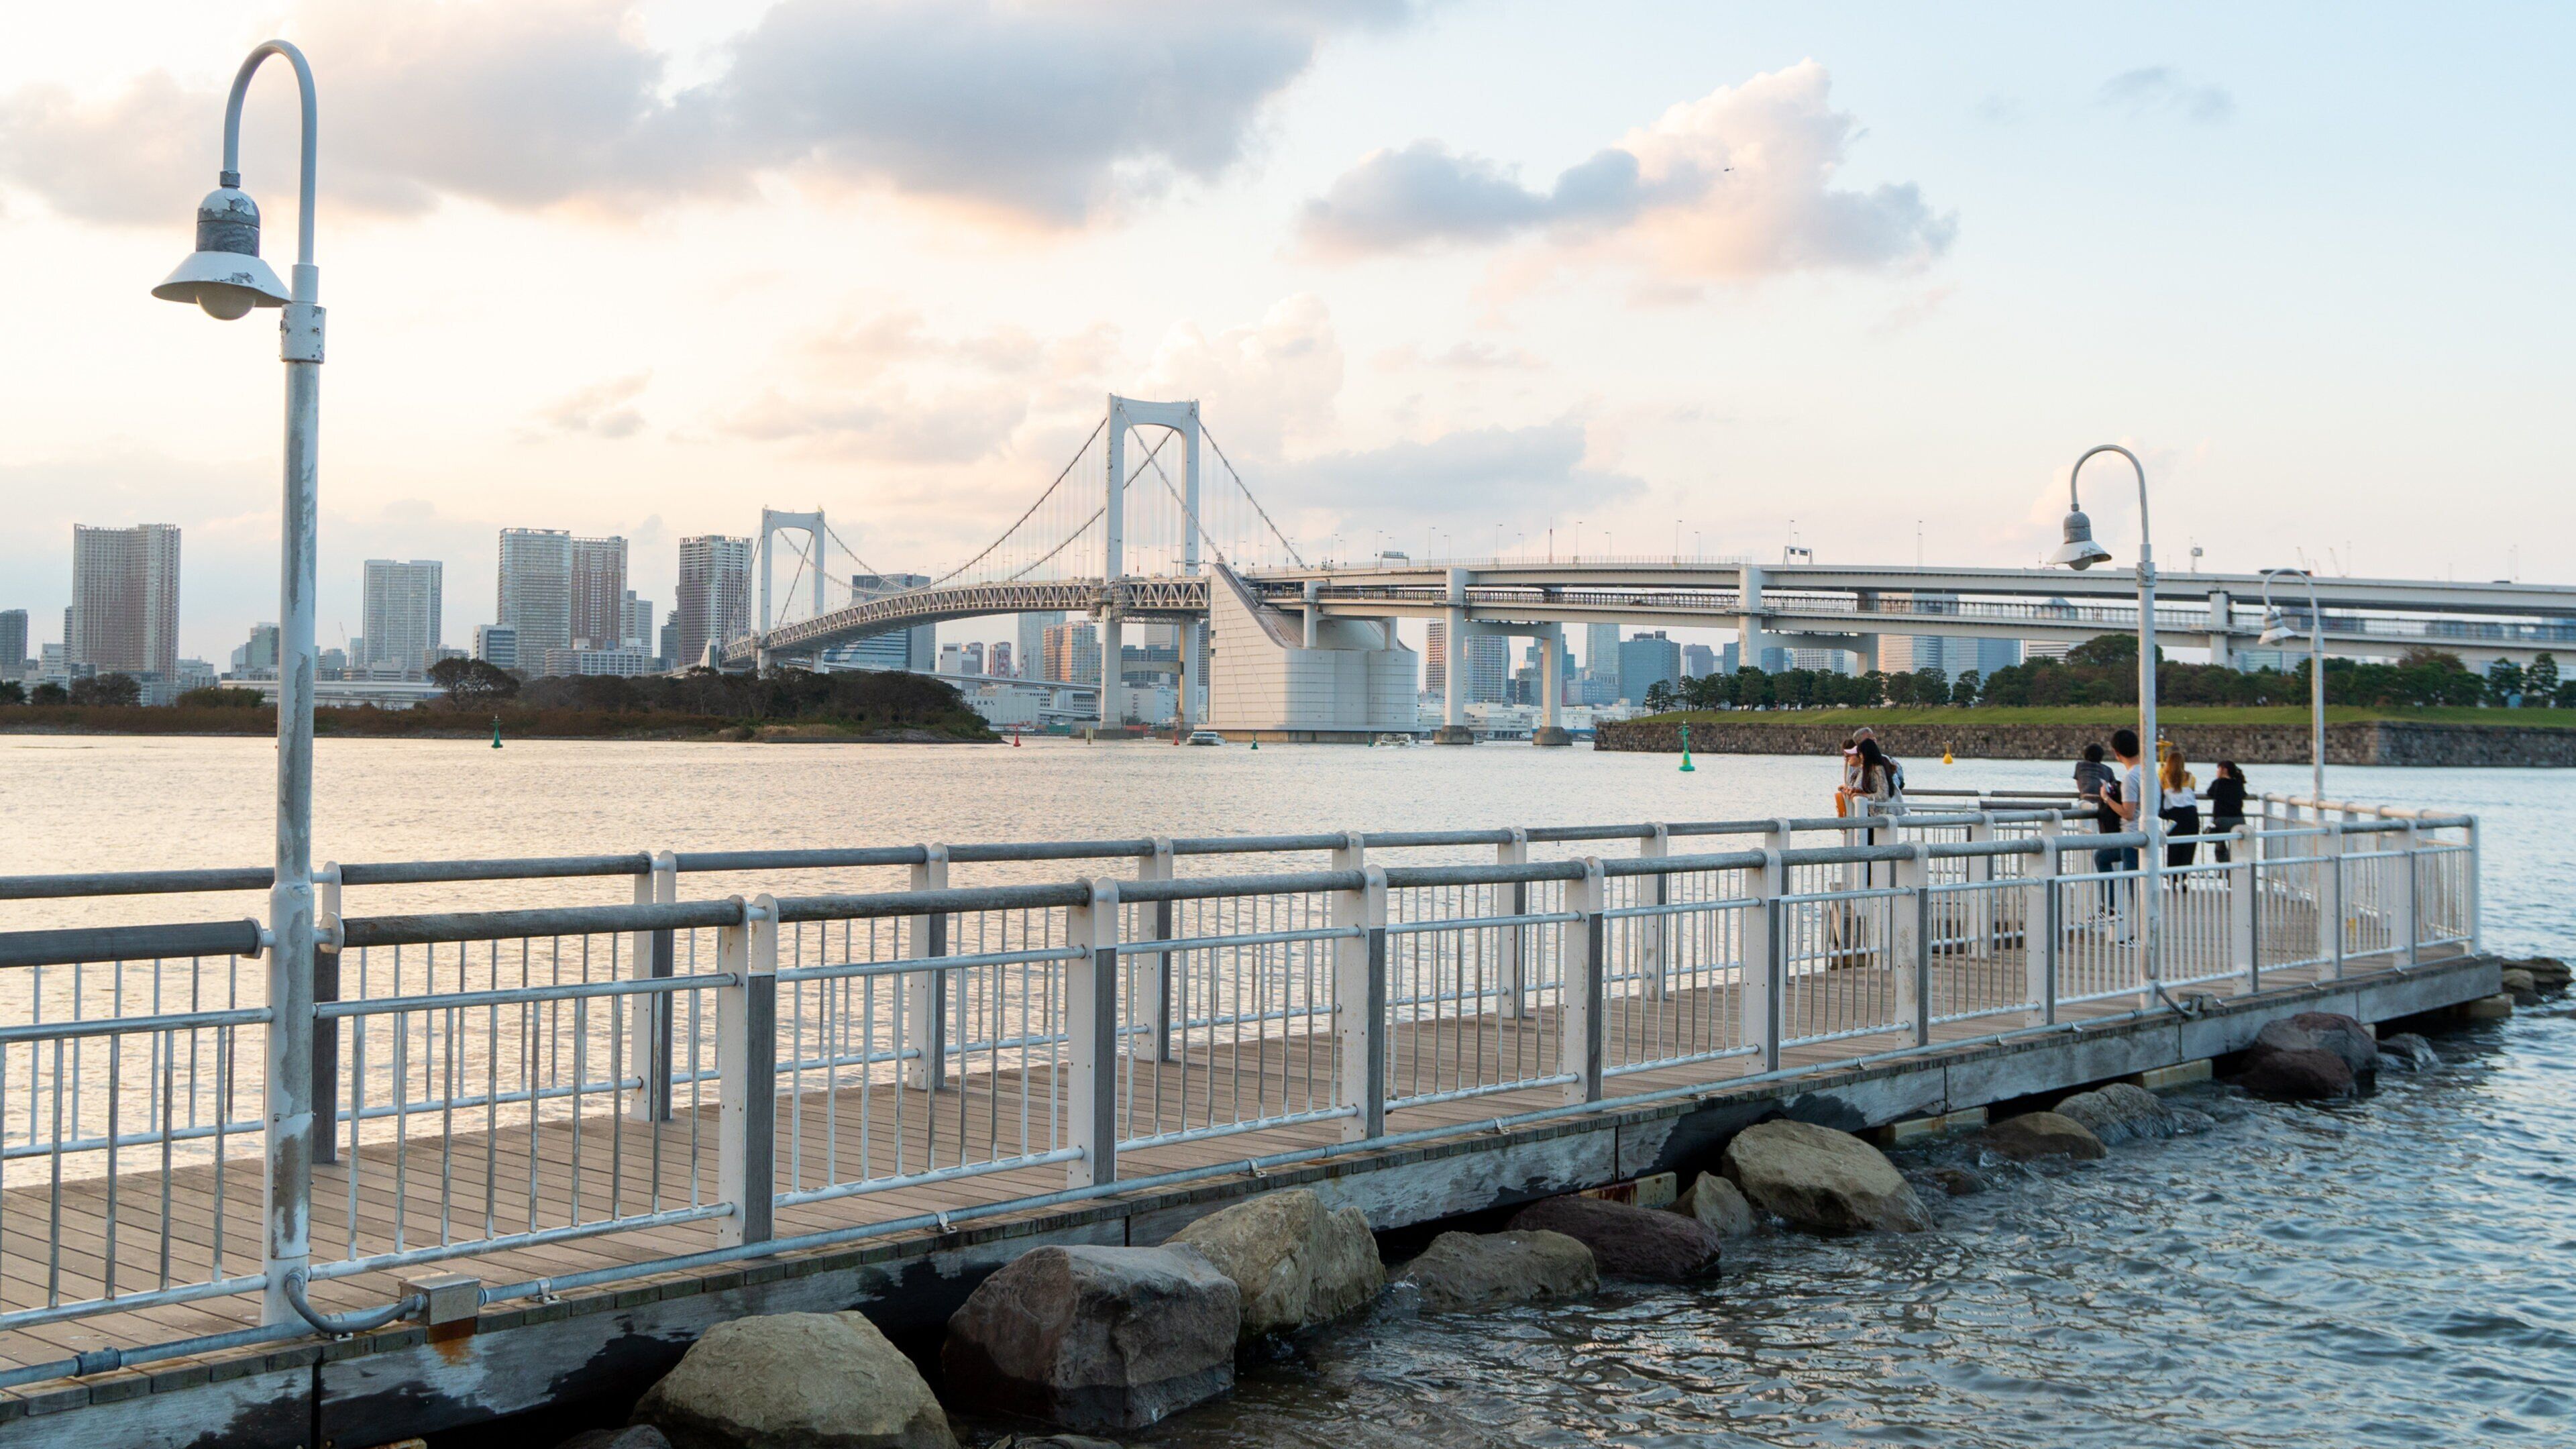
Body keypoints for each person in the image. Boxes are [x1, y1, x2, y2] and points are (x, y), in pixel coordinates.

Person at [2074, 743, 2118, 915]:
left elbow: (2079, 784)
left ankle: (2106, 905)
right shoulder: (2107, 769)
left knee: (2092, 844)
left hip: (2085, 799)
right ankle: (2109, 905)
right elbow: (2112, 785)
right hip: (2102, 802)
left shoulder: (2079, 765)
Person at [2159, 743, 2202, 869]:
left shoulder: (2163, 778)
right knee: (2188, 851)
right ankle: (2183, 880)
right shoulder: (2191, 778)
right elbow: (2191, 791)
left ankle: (2172, 879)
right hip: (2191, 817)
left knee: (2174, 850)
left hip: (2175, 819)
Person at [2206, 761, 2250, 863]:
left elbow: (2209, 793)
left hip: (2222, 820)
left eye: (2218, 769)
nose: (2217, 772)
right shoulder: (2238, 784)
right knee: (2237, 849)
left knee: (2220, 846)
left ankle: (2224, 868)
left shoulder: (2217, 783)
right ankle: (2235, 870)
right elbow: (2243, 795)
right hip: (2239, 819)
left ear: (2224, 770)